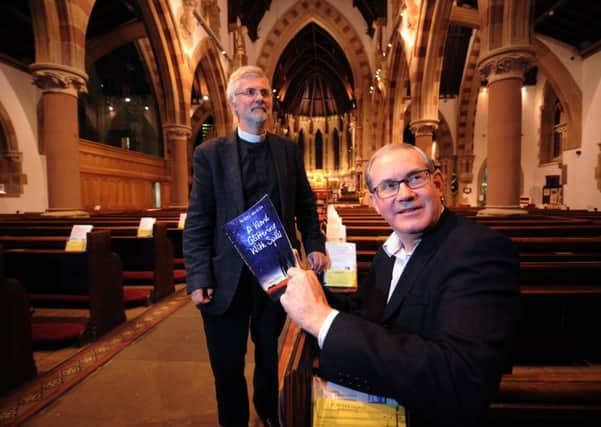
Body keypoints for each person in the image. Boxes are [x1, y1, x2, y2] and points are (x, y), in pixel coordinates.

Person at [280, 143, 520, 426]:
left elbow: (460, 380)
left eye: (415, 178)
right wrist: (307, 292)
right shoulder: (393, 249)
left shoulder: (479, 250)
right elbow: (367, 314)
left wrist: (322, 320)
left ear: (438, 183)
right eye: (389, 186)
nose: (404, 194)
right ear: (375, 201)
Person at [183, 65, 328, 427]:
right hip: (224, 278)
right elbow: (199, 220)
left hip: (275, 273)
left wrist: (314, 243)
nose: (259, 98)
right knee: (227, 366)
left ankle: (266, 413)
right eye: (250, 92)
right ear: (234, 102)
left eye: (264, 92)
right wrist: (198, 274)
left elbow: (306, 206)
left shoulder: (287, 151)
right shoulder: (209, 154)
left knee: (268, 357)